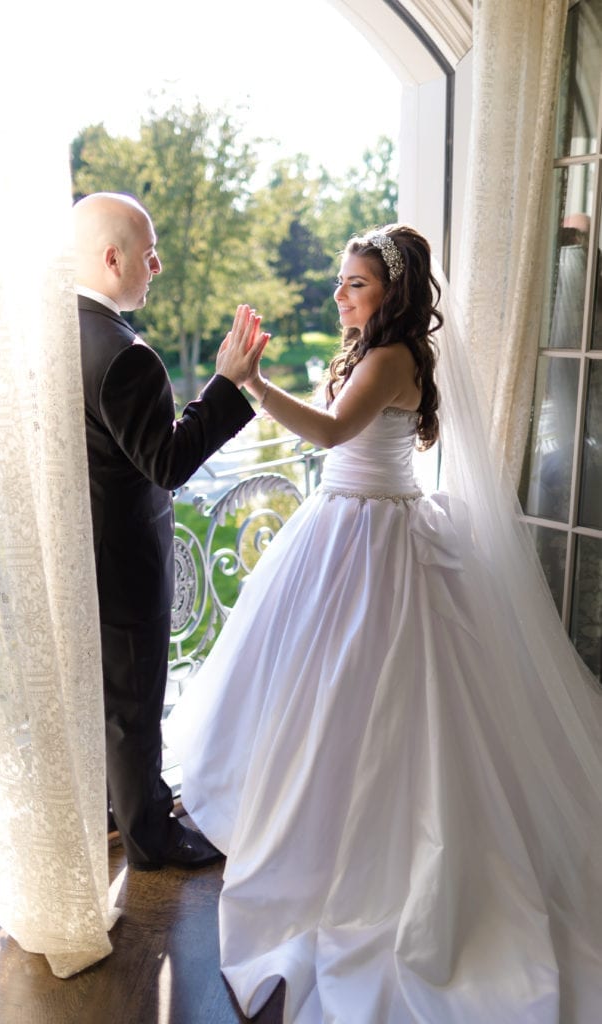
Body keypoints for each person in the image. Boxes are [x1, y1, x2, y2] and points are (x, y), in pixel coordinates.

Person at [165, 225, 602, 1021]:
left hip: (374, 539)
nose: (339, 295)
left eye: (354, 283)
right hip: (342, 526)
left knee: (380, 708)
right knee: (320, 700)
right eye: (338, 281)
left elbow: (332, 434)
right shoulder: (368, 350)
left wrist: (249, 383)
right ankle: (316, 838)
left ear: (392, 293)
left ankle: (370, 862)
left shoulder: (394, 358)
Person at [73, 191, 268, 871]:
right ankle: (150, 839)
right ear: (110, 257)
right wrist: (226, 382)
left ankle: (117, 806)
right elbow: (167, 462)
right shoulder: (127, 355)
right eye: (148, 252)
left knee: (105, 703)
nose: (157, 265)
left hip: (77, 557)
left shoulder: (58, 332)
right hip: (122, 562)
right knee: (132, 707)